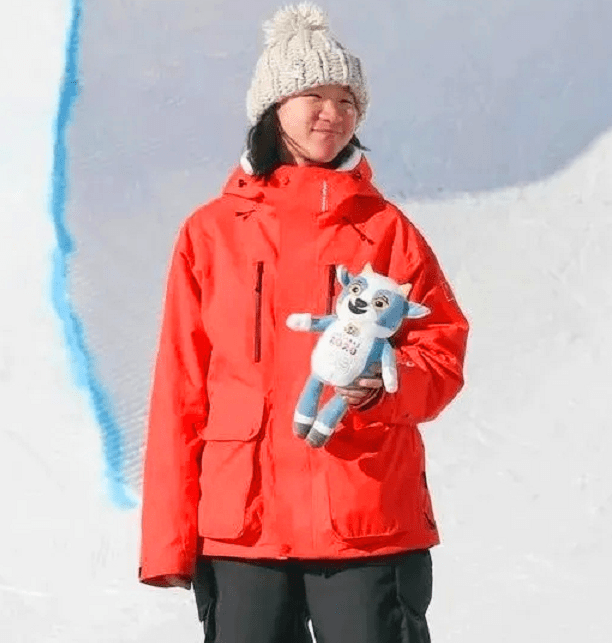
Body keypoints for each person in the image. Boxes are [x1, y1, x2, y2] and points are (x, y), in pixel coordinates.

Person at [139, 4, 469, 642]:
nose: (333, 112)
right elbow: (179, 389)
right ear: (272, 107)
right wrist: (168, 541)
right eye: (313, 94)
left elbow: (441, 349)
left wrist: (382, 388)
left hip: (365, 517)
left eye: (347, 100)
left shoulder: (385, 230)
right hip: (242, 528)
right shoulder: (209, 234)